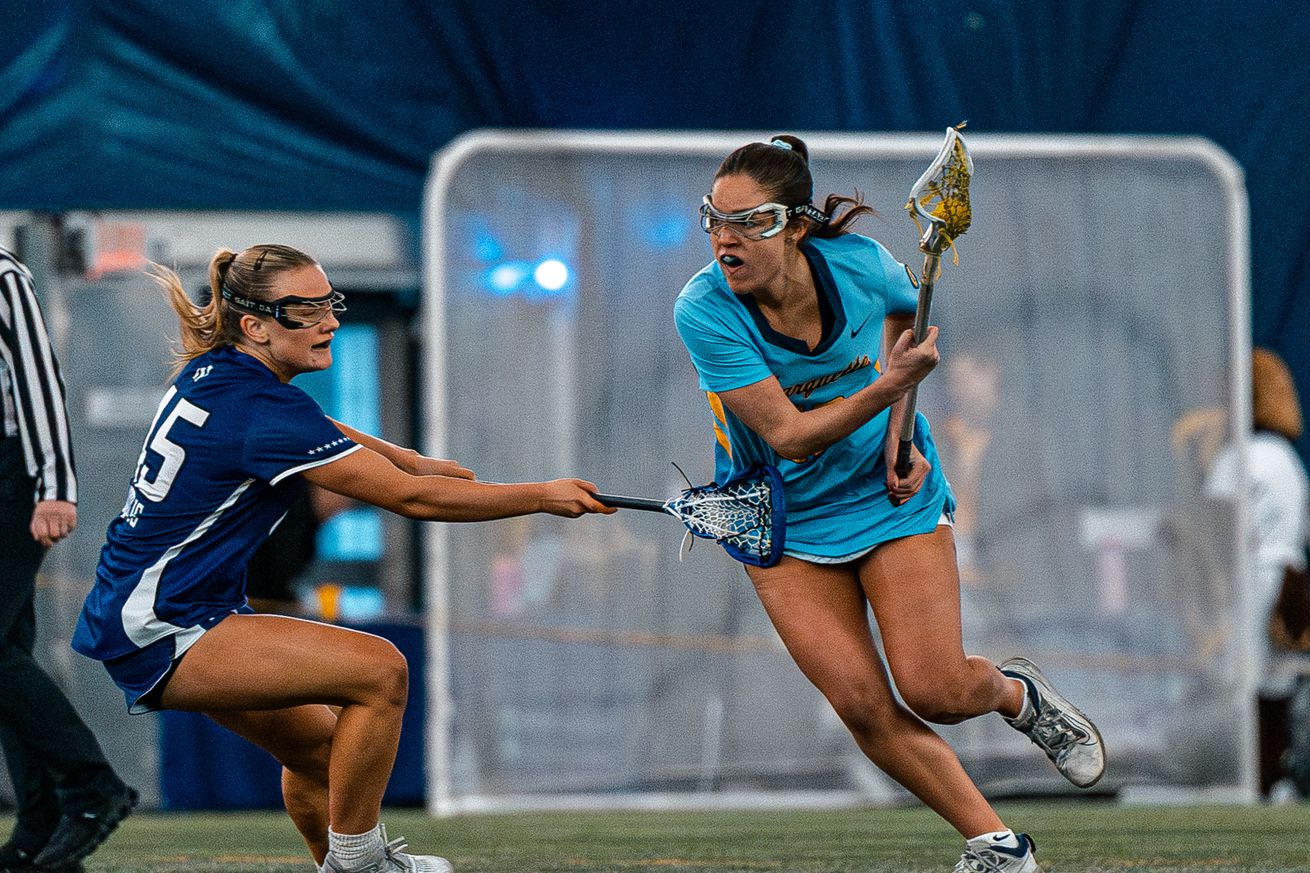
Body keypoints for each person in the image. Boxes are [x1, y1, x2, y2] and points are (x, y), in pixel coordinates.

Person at [70, 244, 614, 873]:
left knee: (326, 757)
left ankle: (344, 862)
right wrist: (542, 495)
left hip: (156, 614)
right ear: (255, 326)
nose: (329, 320)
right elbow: (412, 501)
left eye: (330, 302)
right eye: (306, 309)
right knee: (381, 671)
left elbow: (318, 424)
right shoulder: (261, 408)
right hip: (164, 625)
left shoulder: (221, 372)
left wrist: (404, 456)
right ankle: (359, 863)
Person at [672, 137, 1106, 872]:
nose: (724, 237)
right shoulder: (705, 308)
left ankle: (1014, 694)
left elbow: (910, 321)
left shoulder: (863, 265)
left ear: (796, 225)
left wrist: (899, 435)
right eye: (714, 217)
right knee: (864, 706)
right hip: (784, 517)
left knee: (934, 689)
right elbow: (788, 435)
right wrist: (884, 388)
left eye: (748, 221)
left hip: (887, 492)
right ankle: (999, 846)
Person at [0, 247, 137, 873]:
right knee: (9, 655)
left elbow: (37, 380)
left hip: (15, 476)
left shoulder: (2, 273)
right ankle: (42, 821)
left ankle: (91, 786)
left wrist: (55, 485)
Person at [1203, 347, 1310, 797]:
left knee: (1242, 683)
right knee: (1276, 687)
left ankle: (1253, 777)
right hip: (1290, 577)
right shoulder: (1287, 458)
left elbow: (1217, 529)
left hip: (1251, 578)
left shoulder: (1241, 456)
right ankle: (1277, 776)